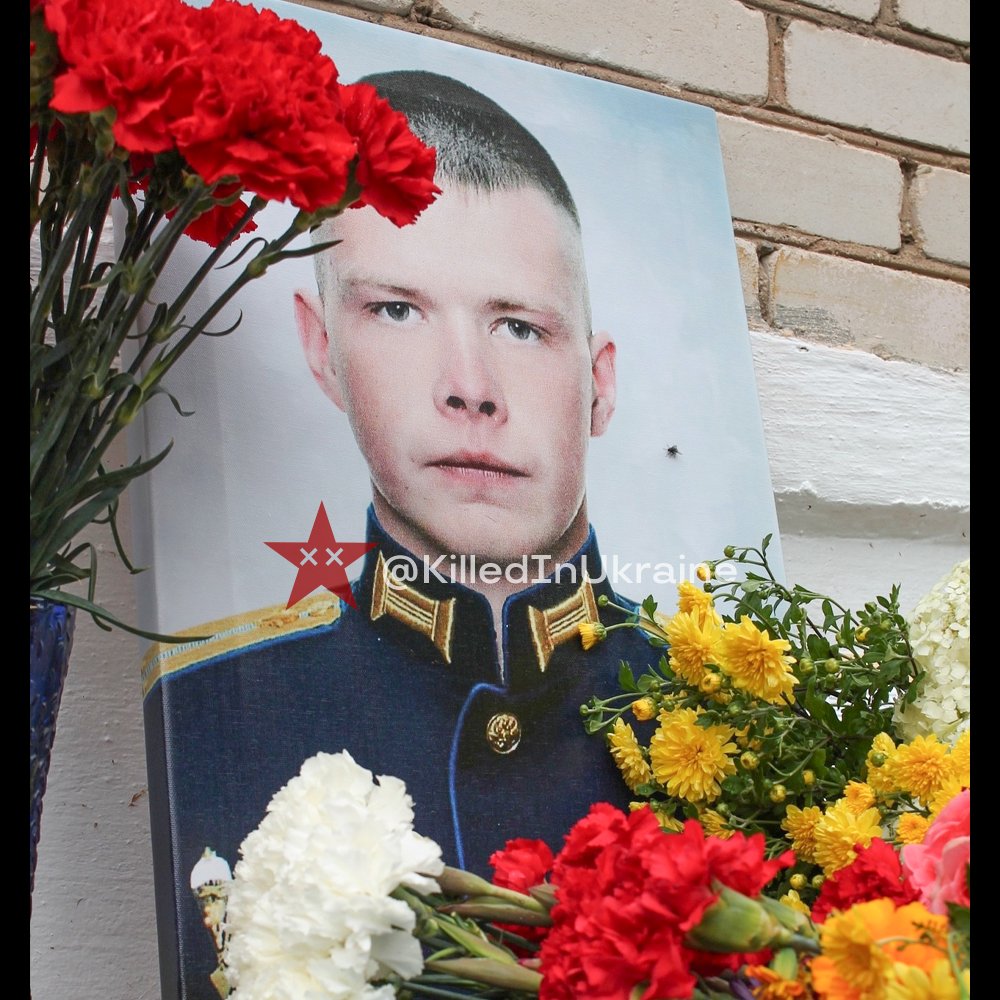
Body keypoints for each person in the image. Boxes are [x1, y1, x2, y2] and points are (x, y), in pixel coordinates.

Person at [141, 71, 661, 998]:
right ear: (320, 347)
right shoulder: (209, 706)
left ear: (601, 382)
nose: (469, 385)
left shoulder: (729, 712)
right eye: (397, 310)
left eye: (519, 325)